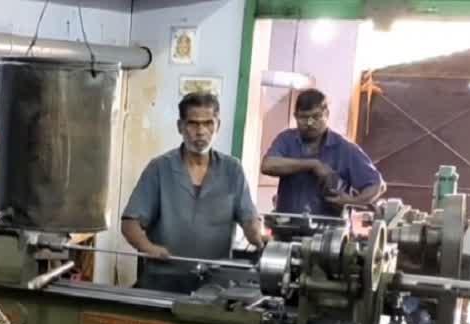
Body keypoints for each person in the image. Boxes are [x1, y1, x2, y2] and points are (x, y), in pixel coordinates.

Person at [121, 92, 265, 293]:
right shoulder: (159, 169)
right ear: (180, 126)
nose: (201, 132)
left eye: (208, 123)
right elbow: (130, 223)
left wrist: (257, 237)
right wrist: (147, 247)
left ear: (218, 126)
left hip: (214, 285)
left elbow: (248, 218)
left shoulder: (232, 170)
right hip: (162, 281)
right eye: (193, 124)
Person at [262, 88, 386, 217]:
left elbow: (377, 185)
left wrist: (351, 201)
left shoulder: (344, 149)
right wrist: (313, 165)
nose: (310, 123)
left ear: (326, 114)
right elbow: (267, 165)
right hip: (287, 227)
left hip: (331, 231)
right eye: (304, 117)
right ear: (295, 116)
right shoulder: (286, 140)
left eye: (316, 117)